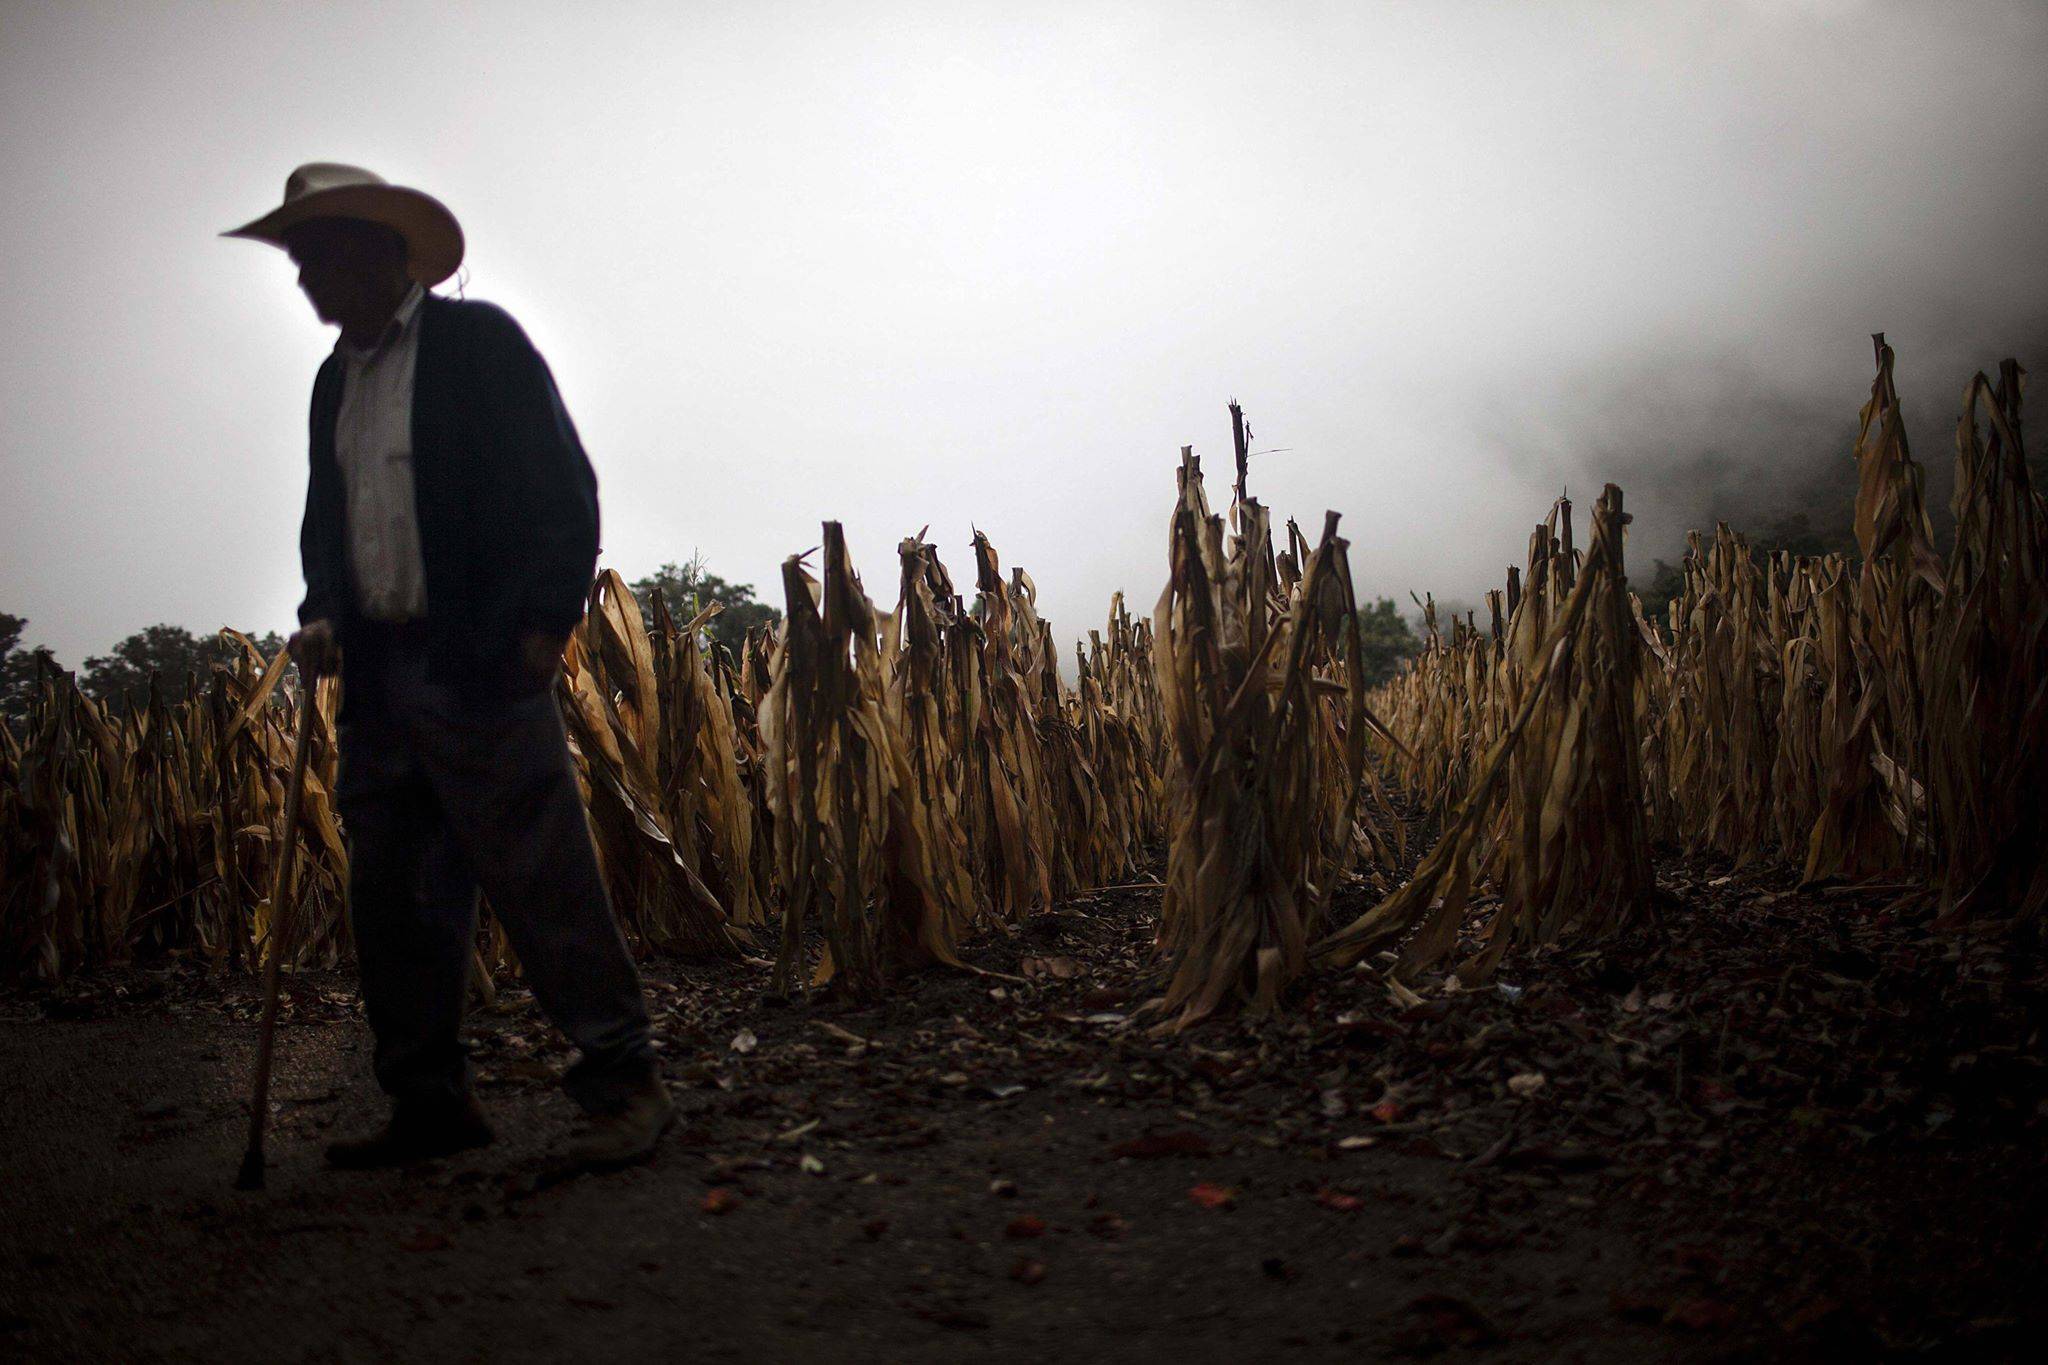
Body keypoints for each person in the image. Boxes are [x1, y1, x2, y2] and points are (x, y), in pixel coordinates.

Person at [224, 163, 673, 1172]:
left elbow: (560, 490)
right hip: (378, 679)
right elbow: (325, 525)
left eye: (320, 257)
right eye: (298, 264)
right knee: (395, 901)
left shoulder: (477, 347)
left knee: (542, 882)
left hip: (476, 667)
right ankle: (428, 1105)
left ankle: (623, 1084)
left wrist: (536, 635)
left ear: (381, 252)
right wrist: (322, 613)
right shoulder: (334, 381)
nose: (305, 282)